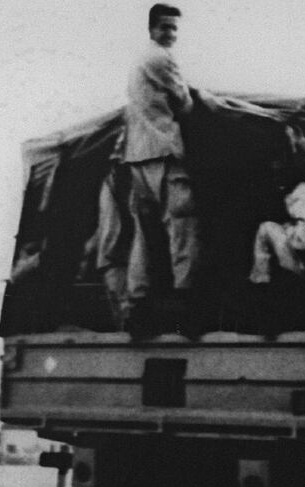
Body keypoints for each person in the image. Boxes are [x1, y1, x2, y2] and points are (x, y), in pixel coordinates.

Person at [123, 3, 199, 339]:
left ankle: (138, 308)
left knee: (144, 234)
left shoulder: (137, 62)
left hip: (137, 156)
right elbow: (185, 103)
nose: (170, 34)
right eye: (165, 27)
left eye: (174, 28)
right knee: (183, 227)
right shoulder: (162, 59)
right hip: (163, 152)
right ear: (152, 28)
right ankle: (186, 310)